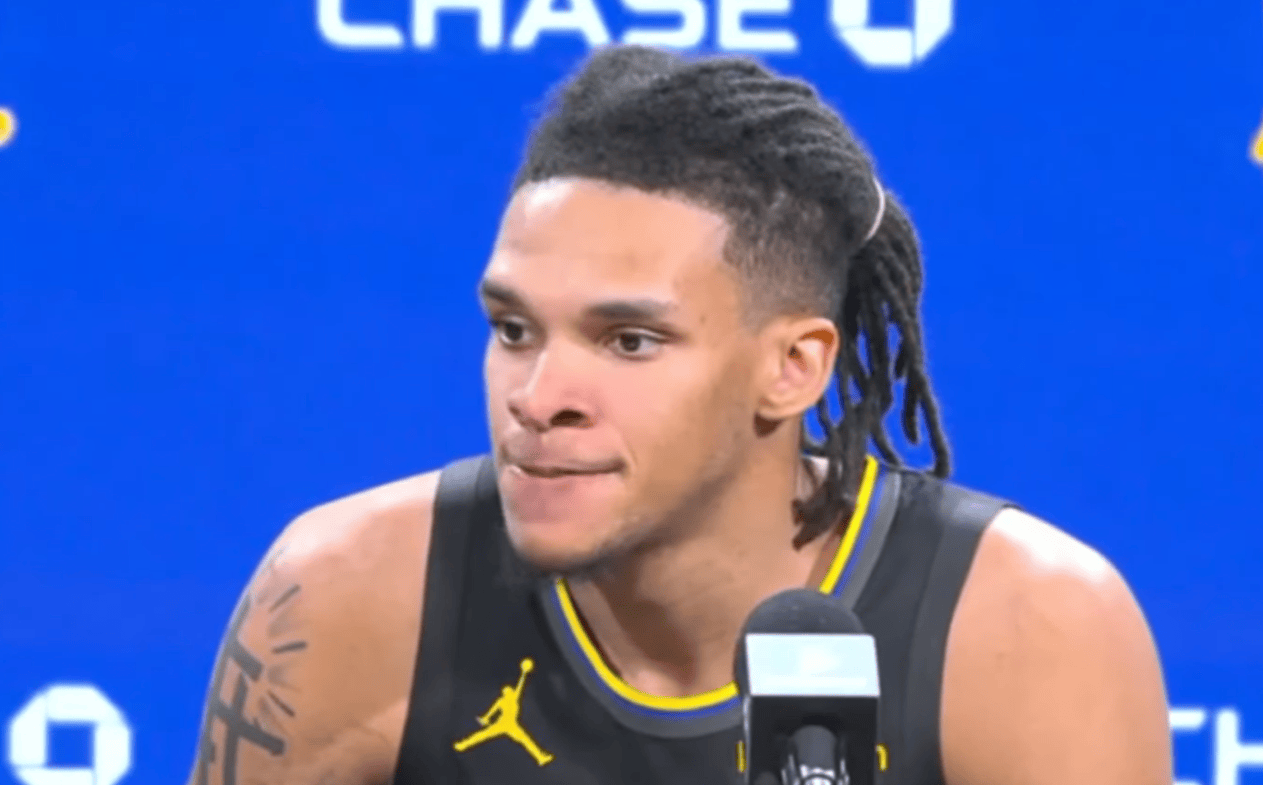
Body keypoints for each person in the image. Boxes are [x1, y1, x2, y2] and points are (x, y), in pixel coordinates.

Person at [185, 45, 1173, 785]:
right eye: (515, 329)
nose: (538, 397)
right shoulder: (346, 596)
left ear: (793, 366)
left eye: (628, 341)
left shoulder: (1028, 631)